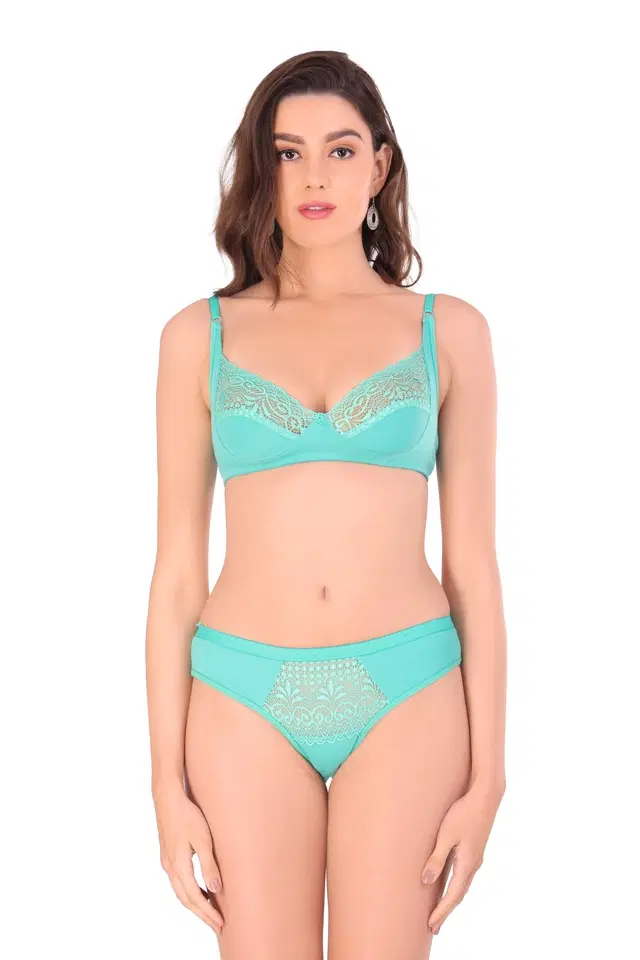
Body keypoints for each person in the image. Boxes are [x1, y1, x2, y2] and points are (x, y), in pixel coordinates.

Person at [146, 49, 507, 959]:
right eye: (288, 152)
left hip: (409, 689)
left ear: (379, 166)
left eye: (341, 150)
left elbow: (474, 566)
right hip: (241, 694)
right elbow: (177, 573)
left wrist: (491, 777)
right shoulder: (198, 336)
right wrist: (163, 787)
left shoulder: (450, 331)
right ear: (260, 169)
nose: (314, 176)